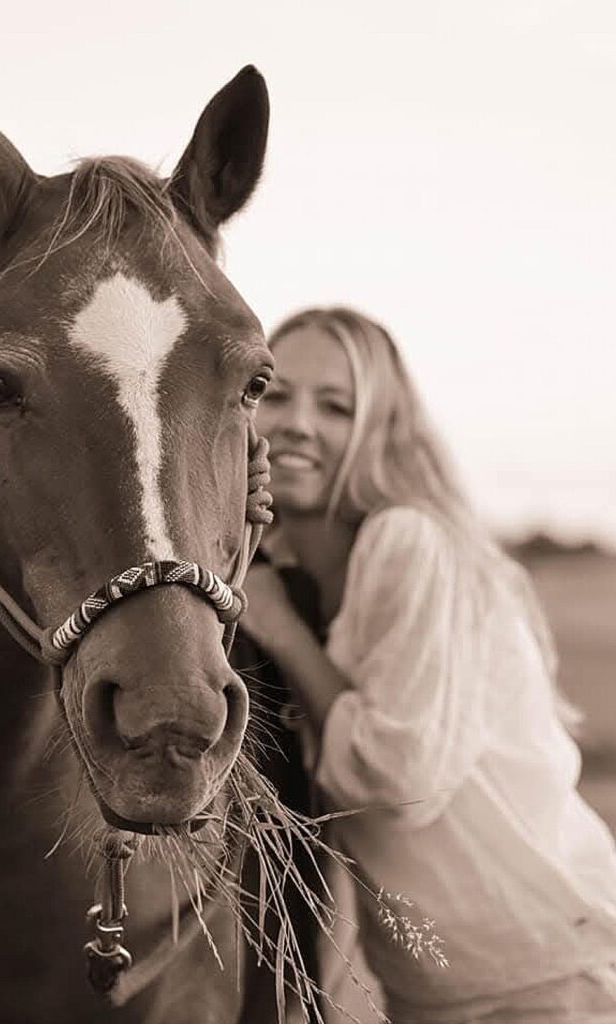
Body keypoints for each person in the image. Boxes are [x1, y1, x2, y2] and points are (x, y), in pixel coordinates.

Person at [240, 306, 616, 1024]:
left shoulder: (407, 542)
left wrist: (284, 633)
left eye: (336, 406)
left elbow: (397, 774)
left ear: (379, 430)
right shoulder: (294, 573)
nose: (294, 422)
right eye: (274, 394)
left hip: (538, 977)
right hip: (431, 992)